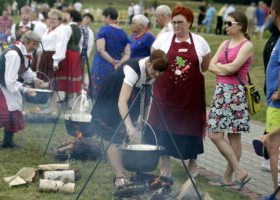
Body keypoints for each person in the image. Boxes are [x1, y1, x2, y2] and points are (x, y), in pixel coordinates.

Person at [146, 5, 211, 179]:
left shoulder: (200, 42)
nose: (176, 26)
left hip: (190, 96)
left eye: (180, 22)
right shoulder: (164, 40)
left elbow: (204, 66)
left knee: (191, 127)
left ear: (190, 22)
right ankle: (165, 164)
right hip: (166, 94)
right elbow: (155, 60)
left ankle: (192, 163)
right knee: (163, 126)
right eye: (174, 22)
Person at [90, 50, 169, 188]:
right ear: (149, 62)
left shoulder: (153, 69)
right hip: (114, 95)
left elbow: (146, 95)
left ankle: (124, 170)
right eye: (155, 70)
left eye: (160, 73)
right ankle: (119, 176)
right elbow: (121, 102)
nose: (156, 75)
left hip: (133, 96)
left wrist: (142, 119)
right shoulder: (132, 69)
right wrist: (129, 126)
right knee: (113, 137)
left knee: (124, 137)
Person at [207, 11, 253, 188]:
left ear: (240, 25)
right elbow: (210, 65)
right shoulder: (225, 43)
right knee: (215, 134)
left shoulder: (246, 45)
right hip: (221, 92)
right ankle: (239, 171)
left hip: (235, 93)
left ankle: (228, 177)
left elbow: (233, 68)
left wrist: (220, 68)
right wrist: (221, 69)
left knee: (234, 136)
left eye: (229, 23)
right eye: (225, 23)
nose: (225, 26)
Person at [0, 31, 43, 151]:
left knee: (14, 107)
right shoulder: (14, 54)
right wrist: (25, 90)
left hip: (7, 81)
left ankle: (8, 141)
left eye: (37, 44)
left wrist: (34, 79)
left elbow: (24, 69)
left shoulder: (26, 52)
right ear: (25, 41)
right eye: (33, 44)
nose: (35, 47)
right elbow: (9, 81)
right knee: (1, 108)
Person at [91, 7, 130, 99]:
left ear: (108, 16)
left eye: (104, 17)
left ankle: (97, 113)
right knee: (111, 95)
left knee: (98, 95)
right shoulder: (124, 33)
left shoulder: (104, 30)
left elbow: (101, 49)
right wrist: (119, 63)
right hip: (116, 68)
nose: (104, 20)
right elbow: (127, 54)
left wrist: (112, 61)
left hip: (102, 66)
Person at [262, 0, 280, 198]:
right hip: (275, 102)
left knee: (273, 147)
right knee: (273, 147)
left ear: (273, 13)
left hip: (278, 102)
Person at [57, 10, 82, 108]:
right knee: (72, 76)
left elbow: (62, 43)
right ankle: (68, 100)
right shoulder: (79, 29)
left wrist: (59, 57)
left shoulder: (67, 28)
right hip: (76, 54)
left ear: (71, 17)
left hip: (68, 54)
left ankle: (69, 102)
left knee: (68, 76)